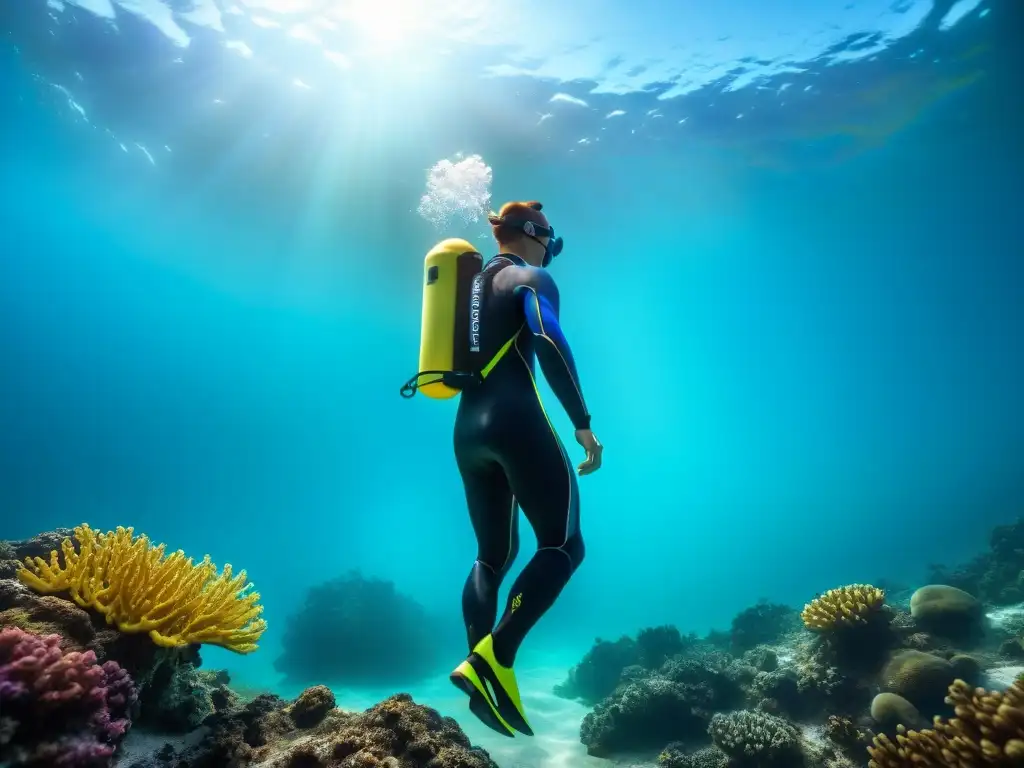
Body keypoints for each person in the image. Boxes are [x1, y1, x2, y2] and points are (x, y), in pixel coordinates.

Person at [448, 201, 603, 738]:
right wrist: (582, 422)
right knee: (563, 546)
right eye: (551, 242)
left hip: (467, 433)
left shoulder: (465, 291)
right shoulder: (529, 277)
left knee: (491, 556)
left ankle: (478, 666)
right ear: (534, 235)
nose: (552, 253)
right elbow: (547, 338)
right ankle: (497, 656)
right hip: (515, 423)